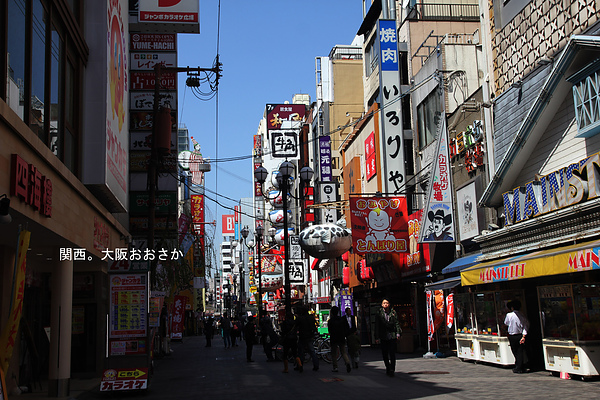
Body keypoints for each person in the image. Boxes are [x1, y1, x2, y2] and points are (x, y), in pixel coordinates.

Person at [374, 298, 402, 377]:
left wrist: (398, 334)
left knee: (392, 353)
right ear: (382, 305)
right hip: (383, 336)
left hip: (392, 335)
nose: (385, 304)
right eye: (384, 303)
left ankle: (392, 369)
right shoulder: (379, 313)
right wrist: (376, 337)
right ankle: (387, 367)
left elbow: (396, 322)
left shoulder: (393, 312)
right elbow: (377, 326)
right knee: (385, 353)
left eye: (387, 303)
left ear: (389, 304)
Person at [504, 299, 530, 373]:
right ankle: (520, 365)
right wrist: (524, 336)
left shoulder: (509, 315)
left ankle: (518, 367)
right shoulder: (522, 315)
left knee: (515, 351)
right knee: (520, 351)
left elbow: (506, 323)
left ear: (512, 307)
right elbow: (526, 326)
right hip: (520, 335)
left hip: (512, 335)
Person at [327, 306, 352, 373]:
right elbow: (345, 329)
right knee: (343, 352)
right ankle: (347, 362)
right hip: (341, 337)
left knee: (334, 353)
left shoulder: (330, 321)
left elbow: (330, 330)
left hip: (334, 338)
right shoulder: (342, 320)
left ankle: (335, 367)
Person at [297, 306, 319, 371]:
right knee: (312, 351)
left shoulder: (300, 318)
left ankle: (300, 365)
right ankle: (316, 365)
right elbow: (314, 327)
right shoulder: (311, 318)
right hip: (310, 336)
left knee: (301, 352)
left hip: (302, 336)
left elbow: (296, 326)